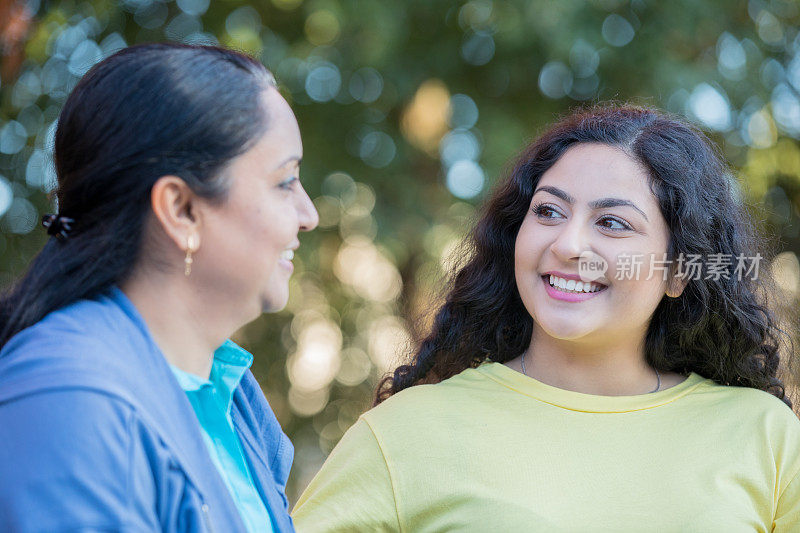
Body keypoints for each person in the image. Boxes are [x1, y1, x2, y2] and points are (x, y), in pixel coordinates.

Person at [292, 105, 800, 531]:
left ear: (678, 272)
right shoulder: (404, 434)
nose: (568, 244)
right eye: (548, 212)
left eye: (612, 223)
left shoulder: (765, 436)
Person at [0, 43, 318, 532]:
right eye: (285, 182)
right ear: (182, 209)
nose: (308, 215)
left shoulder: (236, 401)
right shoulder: (70, 401)